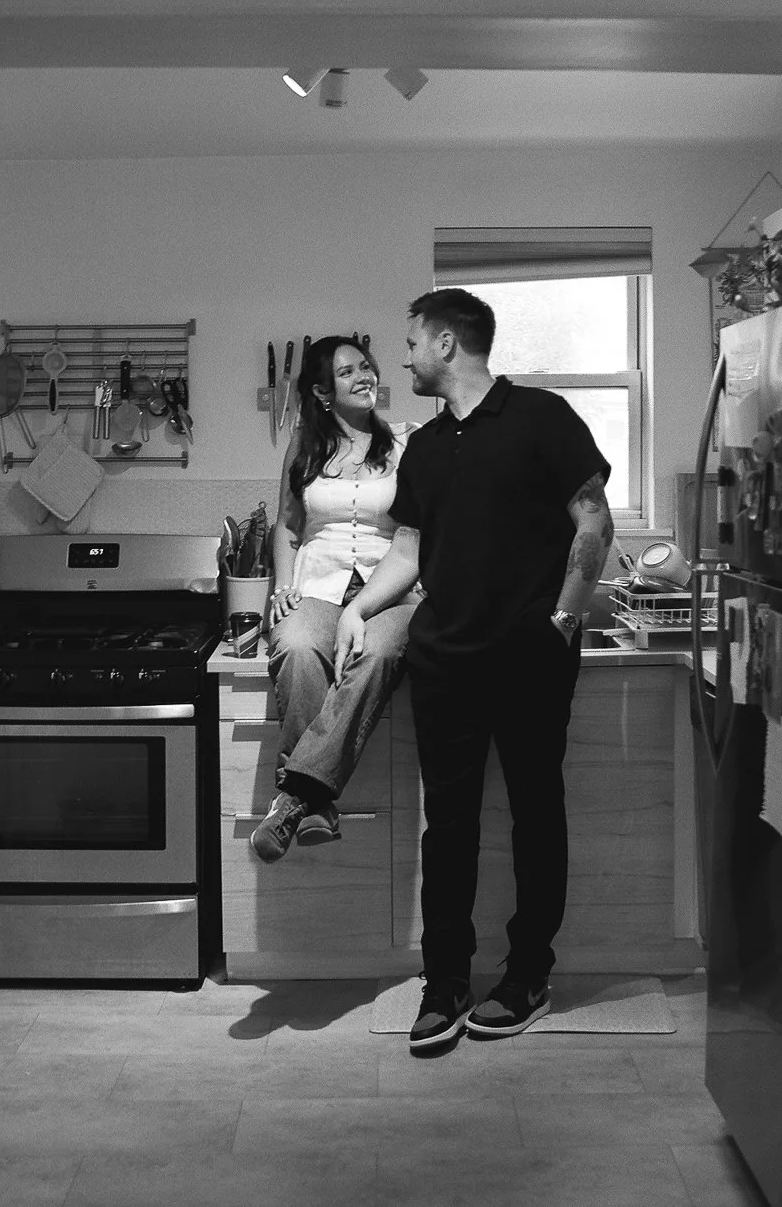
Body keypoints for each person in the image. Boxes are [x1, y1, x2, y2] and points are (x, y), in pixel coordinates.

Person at [335, 288, 613, 1052]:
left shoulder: (543, 419)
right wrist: (358, 609)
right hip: (446, 662)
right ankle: (445, 983)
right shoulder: (423, 447)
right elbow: (406, 553)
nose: (405, 356)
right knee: (448, 827)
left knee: (535, 816)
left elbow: (593, 519)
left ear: (448, 343)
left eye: (413, 341)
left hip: (529, 658)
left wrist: (561, 618)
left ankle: (527, 973)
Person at [250, 335, 420, 863]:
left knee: (380, 653)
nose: (364, 376)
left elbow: (416, 534)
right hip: (316, 583)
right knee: (298, 647)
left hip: (389, 588)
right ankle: (316, 803)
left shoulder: (406, 444)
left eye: (366, 367)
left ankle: (298, 794)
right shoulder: (303, 445)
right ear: (323, 392)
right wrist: (282, 587)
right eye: (348, 373)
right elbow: (287, 526)